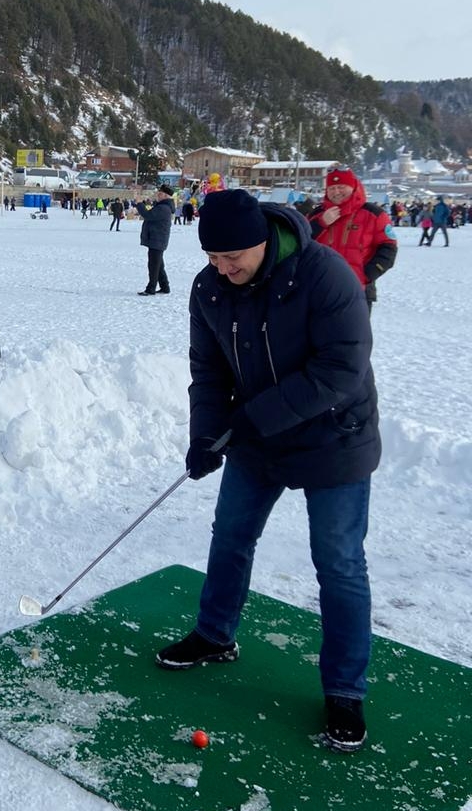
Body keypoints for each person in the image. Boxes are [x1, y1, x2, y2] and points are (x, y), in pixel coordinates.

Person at [156, 189, 379, 753]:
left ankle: (345, 690)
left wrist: (254, 417)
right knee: (230, 534)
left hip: (334, 437)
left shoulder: (324, 275)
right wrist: (207, 434)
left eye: (234, 257)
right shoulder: (209, 288)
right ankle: (214, 634)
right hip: (258, 438)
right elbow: (207, 369)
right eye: (213, 259)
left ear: (263, 239)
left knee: (339, 562)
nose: (224, 269)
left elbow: (342, 368)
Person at [307, 168, 397, 312]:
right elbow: (301, 243)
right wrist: (321, 223)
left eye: (341, 187)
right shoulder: (317, 215)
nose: (336, 192)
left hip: (358, 290)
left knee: (354, 334)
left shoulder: (373, 214)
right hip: (320, 288)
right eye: (332, 188)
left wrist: (366, 275)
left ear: (353, 187)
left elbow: (388, 248)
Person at [135, 185, 175, 295]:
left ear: (166, 196)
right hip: (156, 239)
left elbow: (148, 215)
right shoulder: (163, 206)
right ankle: (165, 286)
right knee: (159, 265)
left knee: (153, 265)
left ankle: (151, 288)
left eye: (160, 194)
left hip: (157, 240)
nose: (158, 195)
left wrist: (139, 203)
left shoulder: (163, 208)